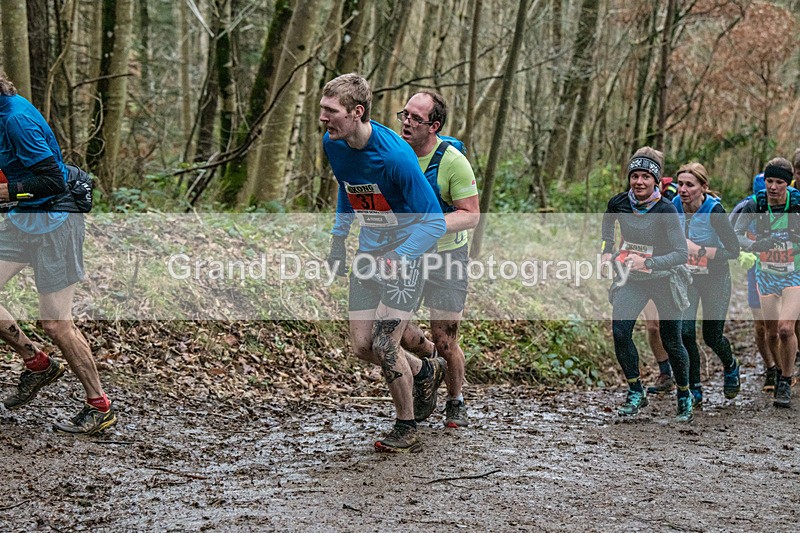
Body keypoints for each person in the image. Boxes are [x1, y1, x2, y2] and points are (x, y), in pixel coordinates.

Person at [320, 74, 447, 452]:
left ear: (357, 112)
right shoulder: (334, 144)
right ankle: (426, 368)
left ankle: (406, 427)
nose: (324, 119)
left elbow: (435, 222)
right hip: (368, 253)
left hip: (409, 253)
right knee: (363, 346)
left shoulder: (395, 158)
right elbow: (347, 188)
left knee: (385, 342)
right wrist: (338, 240)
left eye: (331, 111)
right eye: (323, 110)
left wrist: (401, 256)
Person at [0, 73, 116, 434]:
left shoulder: (16, 119)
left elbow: (53, 180)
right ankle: (37, 363)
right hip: (24, 222)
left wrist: (4, 194)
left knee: (56, 323)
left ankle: (100, 406)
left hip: (56, 224)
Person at [393, 90, 479, 428]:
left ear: (435, 126)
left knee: (447, 340)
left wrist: (430, 225)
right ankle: (429, 363)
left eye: (416, 118)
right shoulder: (396, 154)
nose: (406, 122)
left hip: (447, 258)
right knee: (392, 330)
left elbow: (471, 215)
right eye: (405, 114)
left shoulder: (453, 161)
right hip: (407, 256)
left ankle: (455, 399)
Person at [601, 147, 693, 422]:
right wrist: (606, 250)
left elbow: (681, 254)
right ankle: (635, 391)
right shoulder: (618, 202)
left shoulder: (666, 209)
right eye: (635, 176)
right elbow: (608, 223)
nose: (639, 182)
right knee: (620, 331)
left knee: (671, 340)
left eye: (645, 177)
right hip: (634, 280)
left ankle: (684, 395)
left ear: (656, 180)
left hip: (665, 280)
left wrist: (650, 263)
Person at [734, 158, 800, 408]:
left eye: (779, 182)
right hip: (766, 273)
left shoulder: (797, 203)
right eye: (769, 181)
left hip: (795, 272)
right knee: (771, 332)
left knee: (786, 329)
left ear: (789, 183)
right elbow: (736, 235)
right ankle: (775, 368)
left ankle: (785, 379)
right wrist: (754, 245)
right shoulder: (756, 204)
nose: (773, 187)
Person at [673, 163, 741, 407]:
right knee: (685, 332)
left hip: (715, 278)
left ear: (703, 187)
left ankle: (731, 365)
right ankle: (694, 387)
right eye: (680, 184)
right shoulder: (673, 207)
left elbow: (734, 250)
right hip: (688, 278)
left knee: (711, 336)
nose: (683, 189)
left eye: (689, 185)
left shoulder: (714, 211)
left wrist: (699, 250)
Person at [730, 174, 778, 391]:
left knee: (787, 324)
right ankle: (771, 368)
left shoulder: (790, 204)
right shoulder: (745, 207)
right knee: (761, 325)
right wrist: (741, 251)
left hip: (786, 270)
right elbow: (729, 233)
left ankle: (786, 367)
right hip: (756, 270)